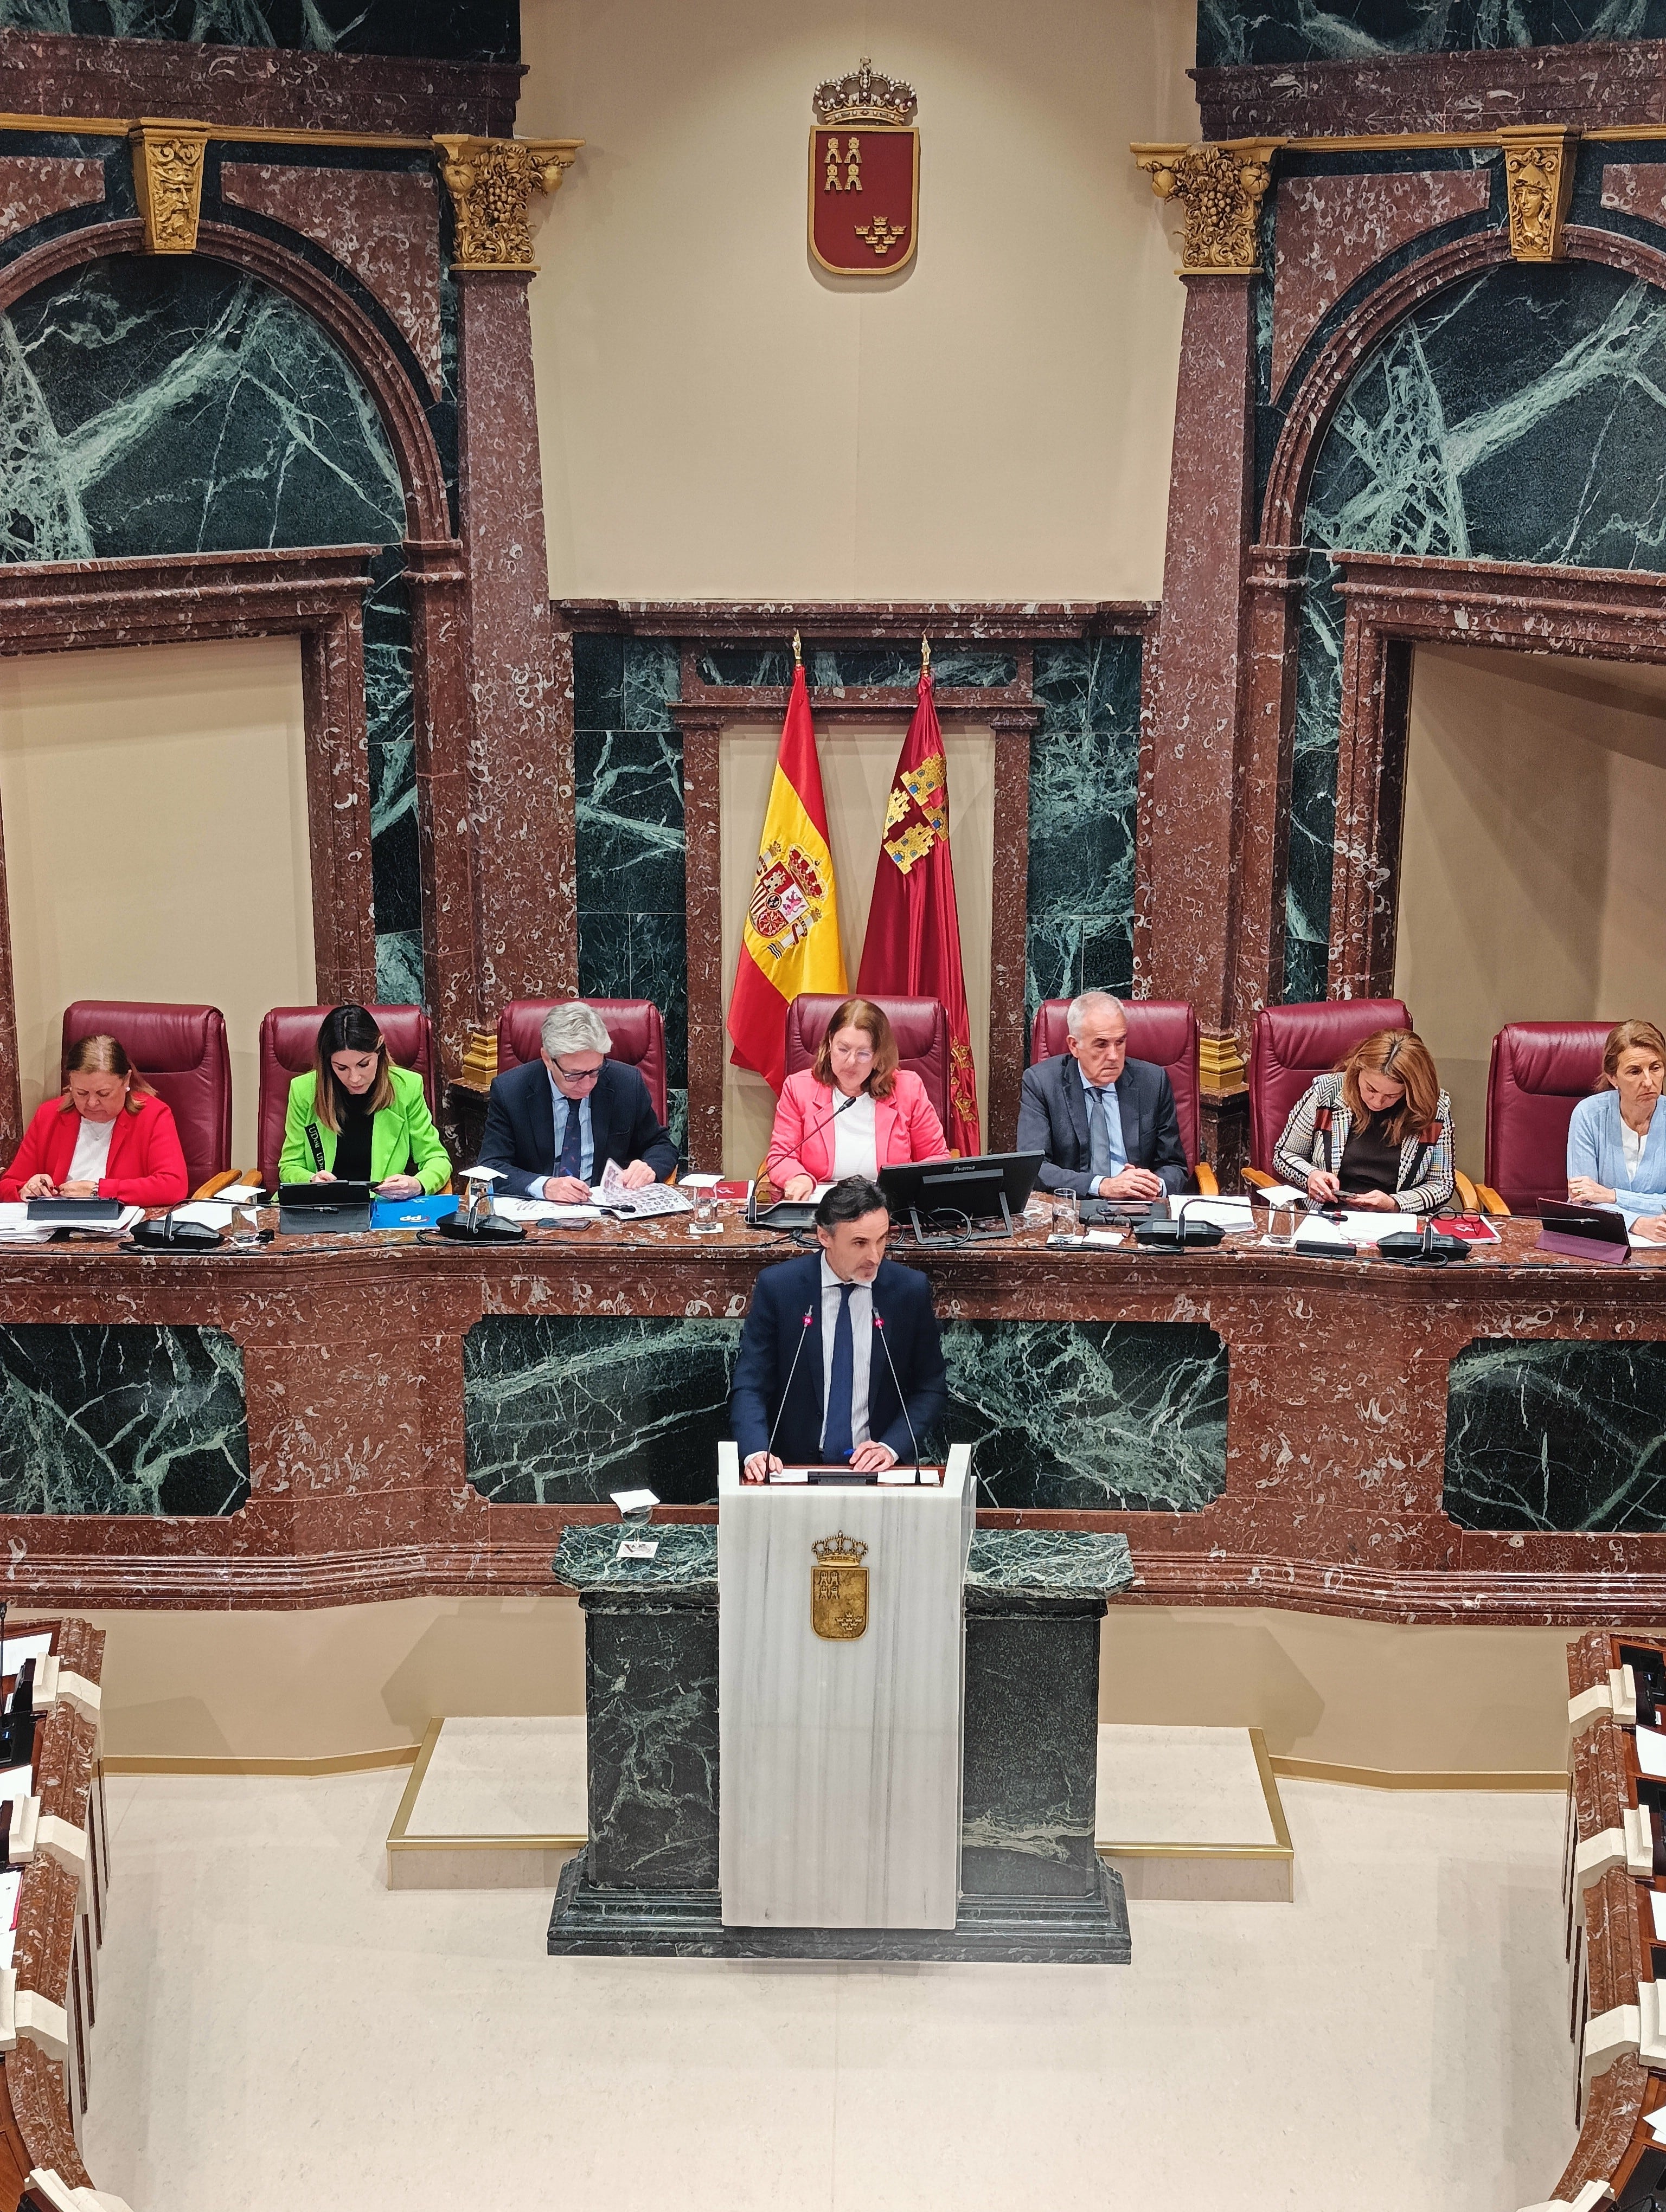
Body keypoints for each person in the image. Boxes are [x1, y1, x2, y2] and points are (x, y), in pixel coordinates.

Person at [731, 1176, 947, 1480]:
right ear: (824, 1237)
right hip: (791, 1470)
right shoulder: (780, 1289)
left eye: (882, 1239)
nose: (875, 1256)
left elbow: (930, 1387)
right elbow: (751, 1384)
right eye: (860, 1243)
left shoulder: (907, 1291)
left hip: (879, 1471)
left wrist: (891, 1447)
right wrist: (756, 1451)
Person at [478, 1000, 677, 1202]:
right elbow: (490, 1165)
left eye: (595, 1071)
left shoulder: (626, 1084)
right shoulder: (511, 1091)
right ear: (548, 1059)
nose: (587, 1085)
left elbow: (661, 1145)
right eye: (573, 1075)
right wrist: (544, 1186)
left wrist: (649, 1167)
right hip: (538, 1213)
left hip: (607, 1211)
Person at [767, 996, 949, 1201]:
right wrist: (798, 1177)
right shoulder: (798, 1088)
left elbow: (936, 1159)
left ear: (879, 1055)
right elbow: (780, 1157)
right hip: (821, 1212)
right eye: (842, 1049)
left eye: (863, 1053)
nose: (851, 1062)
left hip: (888, 1210)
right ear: (829, 1044)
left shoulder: (908, 1089)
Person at [1015, 990, 1188, 1200]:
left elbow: (1174, 1166)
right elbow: (1034, 1168)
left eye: (1120, 1042)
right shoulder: (1042, 1083)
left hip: (1138, 1206)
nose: (1114, 1056)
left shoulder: (1153, 1082)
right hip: (1073, 1206)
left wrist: (1154, 1185)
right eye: (1101, 1044)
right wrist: (1102, 1186)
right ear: (1074, 1045)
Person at [1272, 1028, 1454, 1214]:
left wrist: (1395, 1203)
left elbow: (1442, 1184)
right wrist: (1312, 1176)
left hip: (1396, 1222)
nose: (1377, 1102)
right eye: (1371, 1089)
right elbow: (1284, 1154)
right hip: (1326, 1215)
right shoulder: (1327, 1093)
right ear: (1358, 1070)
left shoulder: (1433, 1109)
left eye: (1392, 1095)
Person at [278, 1004, 450, 1197]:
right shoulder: (304, 1091)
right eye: (342, 1068)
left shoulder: (407, 1087)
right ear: (328, 1063)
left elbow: (437, 1158)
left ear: (380, 1050)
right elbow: (290, 1166)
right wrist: (311, 1180)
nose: (355, 1078)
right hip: (321, 1208)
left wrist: (418, 1183)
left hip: (381, 1209)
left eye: (364, 1064)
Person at [1, 1033, 189, 1206]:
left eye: (103, 1094)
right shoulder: (49, 1115)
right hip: (54, 1231)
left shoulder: (153, 1115)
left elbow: (173, 1186)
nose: (92, 1103)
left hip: (119, 1233)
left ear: (126, 1082)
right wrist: (26, 1189)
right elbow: (7, 1186)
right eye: (81, 1093)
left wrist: (99, 1191)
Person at [1567, 1018, 1666, 1244]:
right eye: (1634, 1072)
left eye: (1656, 1068)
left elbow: (1598, 1197)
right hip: (1601, 1244)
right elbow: (1582, 1201)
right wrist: (1637, 1223)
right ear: (1613, 1078)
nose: (1649, 1082)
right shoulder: (1588, 1115)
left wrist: (1612, 1196)